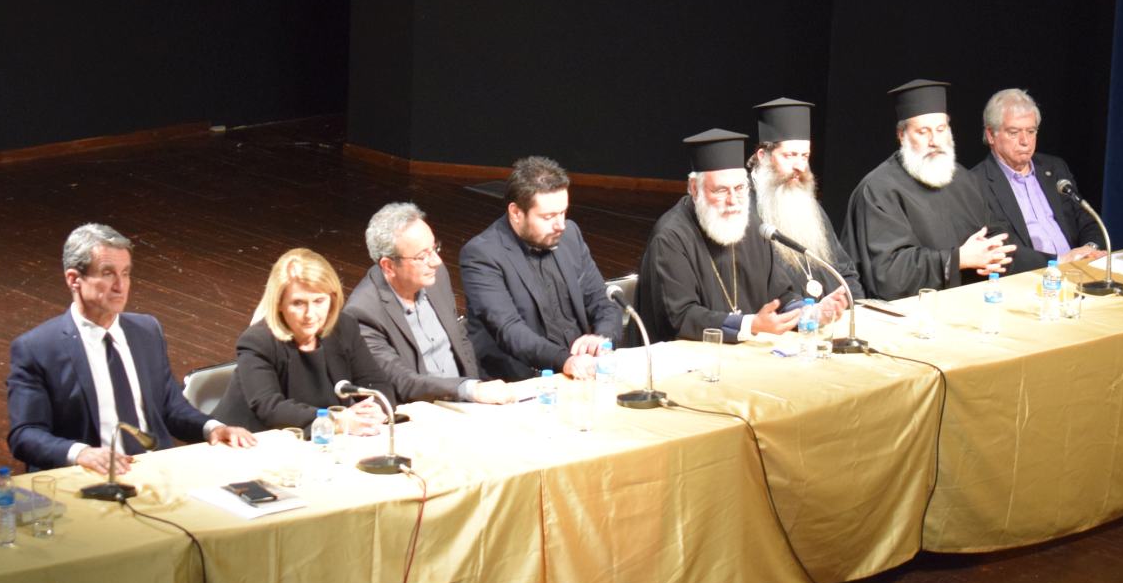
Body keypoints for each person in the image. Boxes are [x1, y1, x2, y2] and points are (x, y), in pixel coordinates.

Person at [7, 223, 256, 473]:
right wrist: (80, 453)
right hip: (89, 477)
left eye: (125, 273)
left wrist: (212, 428)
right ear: (74, 279)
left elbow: (170, 407)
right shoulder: (37, 348)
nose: (120, 286)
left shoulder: (146, 331)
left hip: (155, 470)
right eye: (107, 273)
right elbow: (25, 435)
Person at [636, 129, 849, 342]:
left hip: (747, 350)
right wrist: (748, 325)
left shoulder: (752, 227)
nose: (733, 201)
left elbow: (781, 294)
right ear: (694, 188)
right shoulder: (670, 238)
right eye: (721, 190)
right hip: (689, 356)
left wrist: (809, 312)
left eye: (739, 188)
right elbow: (680, 317)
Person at [842, 79, 1016, 301]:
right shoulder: (878, 190)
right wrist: (958, 260)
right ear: (902, 135)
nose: (935, 141)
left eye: (941, 129)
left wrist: (994, 254)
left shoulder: (965, 179)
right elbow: (888, 274)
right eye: (923, 132)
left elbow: (995, 231)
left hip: (974, 301)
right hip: (908, 312)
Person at [460, 155, 625, 380]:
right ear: (516, 213)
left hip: (580, 371)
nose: (560, 225)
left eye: (563, 212)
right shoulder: (482, 255)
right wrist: (565, 360)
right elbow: (509, 330)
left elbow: (602, 301)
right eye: (548, 217)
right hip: (520, 381)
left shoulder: (570, 235)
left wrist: (602, 339)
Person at [343, 203, 515, 404]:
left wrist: (475, 392)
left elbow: (459, 338)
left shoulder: (435, 276)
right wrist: (469, 389)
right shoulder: (362, 313)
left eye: (434, 248)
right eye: (422, 256)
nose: (436, 261)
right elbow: (403, 381)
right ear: (388, 266)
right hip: (420, 409)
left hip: (467, 401)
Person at [212, 247, 393, 435]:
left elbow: (376, 384)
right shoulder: (257, 341)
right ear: (279, 303)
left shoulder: (344, 327)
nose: (310, 314)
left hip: (318, 440)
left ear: (332, 298)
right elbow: (270, 408)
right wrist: (338, 420)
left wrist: (376, 408)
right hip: (248, 441)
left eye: (319, 301)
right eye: (298, 303)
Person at [970, 87, 1107, 273]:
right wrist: (1060, 261)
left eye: (1031, 131)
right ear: (990, 135)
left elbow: (1088, 220)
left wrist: (1089, 249)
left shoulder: (1055, 168)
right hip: (1029, 279)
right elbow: (1000, 249)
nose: (1025, 141)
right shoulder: (976, 184)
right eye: (1014, 132)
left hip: (1079, 270)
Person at [749, 97, 865, 301]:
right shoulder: (745, 211)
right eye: (790, 155)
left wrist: (853, 307)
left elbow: (845, 272)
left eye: (804, 156)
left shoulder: (806, 204)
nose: (800, 166)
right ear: (762, 156)